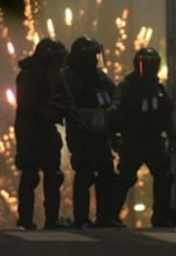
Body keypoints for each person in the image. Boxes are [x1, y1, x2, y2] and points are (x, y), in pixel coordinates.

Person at [110, 47, 176, 227]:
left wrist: (173, 137)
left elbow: (166, 115)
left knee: (164, 177)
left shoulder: (158, 88)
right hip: (133, 139)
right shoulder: (127, 86)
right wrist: (116, 135)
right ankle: (110, 215)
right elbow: (115, 110)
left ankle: (161, 216)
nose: (150, 67)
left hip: (154, 140)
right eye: (146, 64)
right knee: (125, 178)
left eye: (153, 64)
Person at [62, 36, 118, 228]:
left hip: (100, 133)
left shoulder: (99, 77)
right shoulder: (71, 77)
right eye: (91, 55)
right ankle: (81, 218)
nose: (95, 59)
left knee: (106, 174)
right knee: (85, 175)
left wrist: (113, 107)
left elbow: (115, 93)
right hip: (82, 133)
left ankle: (105, 216)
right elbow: (68, 104)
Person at [14, 38, 68, 230]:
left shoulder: (56, 76)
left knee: (53, 176)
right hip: (30, 130)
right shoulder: (28, 76)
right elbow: (27, 105)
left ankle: (52, 220)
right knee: (30, 176)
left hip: (46, 130)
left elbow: (66, 100)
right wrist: (52, 113)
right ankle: (25, 220)